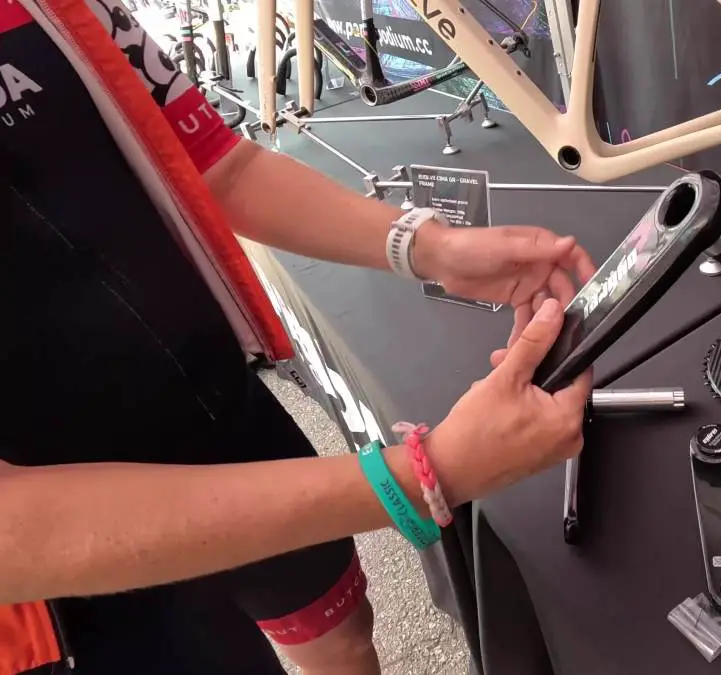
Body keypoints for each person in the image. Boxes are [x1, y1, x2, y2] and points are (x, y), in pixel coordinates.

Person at [0, 0, 597, 673]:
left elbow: (219, 164)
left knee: (342, 636)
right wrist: (427, 473)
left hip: (217, 408)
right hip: (62, 578)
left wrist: (431, 247)